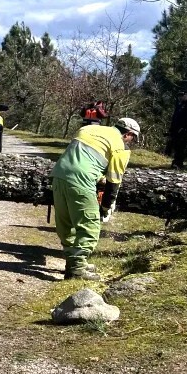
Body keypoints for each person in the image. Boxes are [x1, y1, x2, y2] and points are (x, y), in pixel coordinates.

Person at [50, 117, 140, 281]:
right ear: (128, 134)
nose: (131, 142)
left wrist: (98, 176)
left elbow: (81, 157)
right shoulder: (121, 148)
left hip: (58, 177)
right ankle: (76, 271)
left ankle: (76, 262)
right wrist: (105, 207)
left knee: (66, 224)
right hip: (81, 182)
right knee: (90, 227)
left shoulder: (88, 129)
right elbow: (114, 182)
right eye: (133, 138)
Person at [166, 91, 187, 169]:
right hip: (176, 129)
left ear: (186, 95)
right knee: (176, 146)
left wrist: (184, 128)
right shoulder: (179, 105)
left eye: (182, 95)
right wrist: (171, 130)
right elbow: (174, 118)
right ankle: (176, 162)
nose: (180, 97)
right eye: (179, 95)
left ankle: (179, 163)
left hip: (184, 129)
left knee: (181, 146)